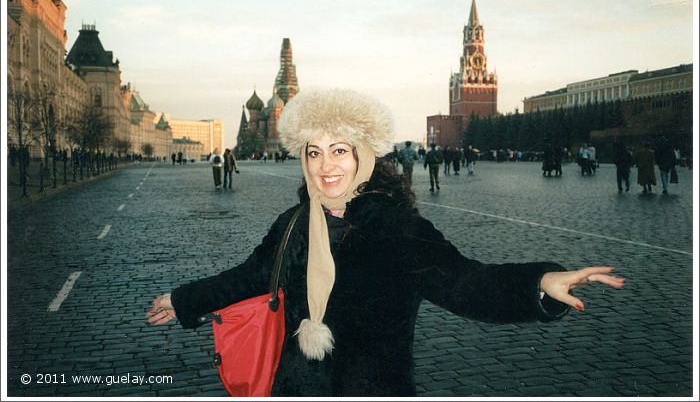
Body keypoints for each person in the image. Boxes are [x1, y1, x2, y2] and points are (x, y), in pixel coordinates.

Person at [147, 90, 624, 397]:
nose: (324, 165)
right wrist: (183, 299)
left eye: (339, 151)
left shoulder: (397, 229)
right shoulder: (294, 223)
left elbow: (466, 283)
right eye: (314, 152)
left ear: (364, 158)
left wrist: (539, 283)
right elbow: (250, 275)